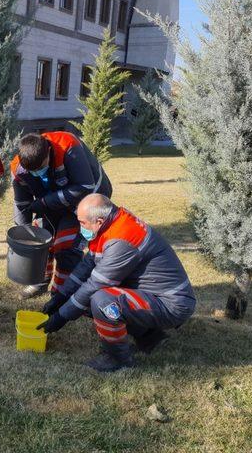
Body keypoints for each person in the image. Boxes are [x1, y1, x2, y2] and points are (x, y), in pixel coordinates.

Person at [38, 194, 196, 372]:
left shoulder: (121, 240)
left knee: (102, 300)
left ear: (98, 221)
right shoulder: (111, 225)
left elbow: (94, 286)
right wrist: (61, 296)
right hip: (155, 296)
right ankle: (149, 336)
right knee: (89, 298)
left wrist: (61, 317)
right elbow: (88, 264)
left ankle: (117, 358)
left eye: (82, 223)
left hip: (171, 304)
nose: (80, 227)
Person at [11, 132, 112, 299]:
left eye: (40, 167)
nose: (37, 173)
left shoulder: (67, 146)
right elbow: (21, 203)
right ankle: (39, 283)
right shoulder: (19, 168)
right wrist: (23, 232)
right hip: (53, 201)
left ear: (48, 153)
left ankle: (61, 293)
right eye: (32, 171)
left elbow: (85, 185)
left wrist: (44, 203)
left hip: (87, 201)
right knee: (38, 239)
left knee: (66, 246)